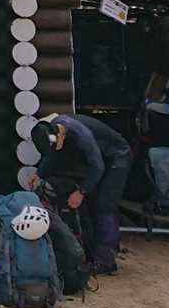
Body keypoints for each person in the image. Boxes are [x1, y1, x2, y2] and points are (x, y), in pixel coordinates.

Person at [31, 114, 132, 275]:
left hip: (117, 156)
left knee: (104, 204)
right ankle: (94, 253)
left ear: (59, 136)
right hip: (101, 158)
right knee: (91, 203)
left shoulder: (80, 134)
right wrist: (39, 174)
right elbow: (52, 154)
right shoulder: (49, 129)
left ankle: (106, 261)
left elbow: (97, 166)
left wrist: (81, 191)